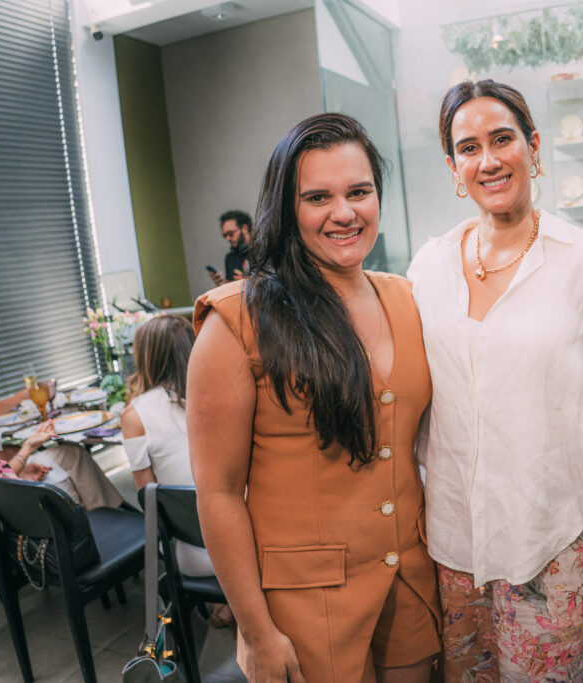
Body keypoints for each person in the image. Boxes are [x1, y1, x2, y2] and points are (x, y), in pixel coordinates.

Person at [188, 113, 439, 682]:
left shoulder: (406, 299)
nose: (344, 213)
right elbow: (219, 493)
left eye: (359, 192)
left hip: (409, 581)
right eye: (318, 197)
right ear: (286, 207)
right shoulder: (238, 320)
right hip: (305, 606)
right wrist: (256, 631)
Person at [407, 79, 583, 680]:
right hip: (455, 542)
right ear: (453, 166)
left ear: (533, 147)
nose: (488, 160)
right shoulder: (429, 268)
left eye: (502, 139)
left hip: (558, 538)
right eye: (468, 148)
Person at [121, 314, 217, 576]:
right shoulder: (221, 392)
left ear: (146, 357)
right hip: (252, 539)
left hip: (198, 553)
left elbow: (150, 501)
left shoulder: (135, 416)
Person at [0, 420, 124, 509]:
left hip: (4, 472)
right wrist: (26, 450)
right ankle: (85, 524)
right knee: (57, 472)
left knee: (71, 454)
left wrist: (18, 467)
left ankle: (104, 512)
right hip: (1, 493)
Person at [208, 209, 252, 285]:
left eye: (231, 233)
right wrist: (222, 284)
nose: (228, 238)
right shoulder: (230, 258)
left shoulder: (262, 252)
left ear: (245, 228)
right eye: (225, 235)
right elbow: (230, 285)